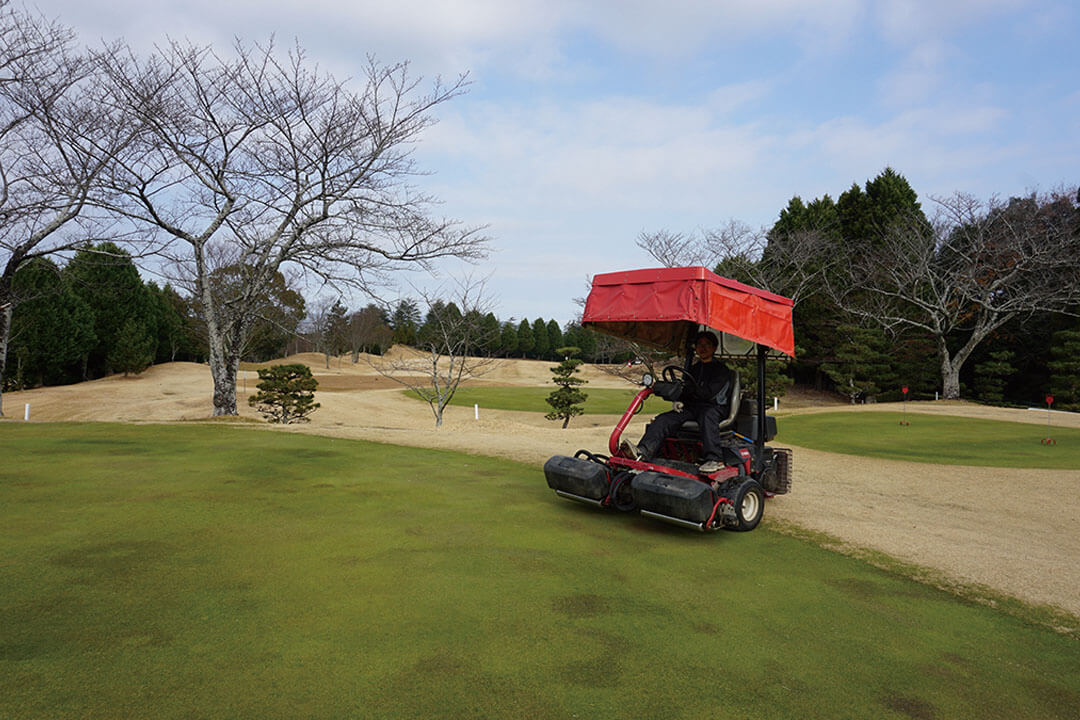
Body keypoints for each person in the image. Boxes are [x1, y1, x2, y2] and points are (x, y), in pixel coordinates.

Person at [621, 331, 735, 473]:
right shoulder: (694, 369)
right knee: (664, 419)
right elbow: (686, 389)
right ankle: (643, 451)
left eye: (707, 345)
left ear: (714, 348)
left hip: (714, 407)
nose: (703, 348)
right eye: (699, 345)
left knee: (707, 416)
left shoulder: (721, 370)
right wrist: (679, 399)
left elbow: (709, 393)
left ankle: (714, 459)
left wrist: (689, 392)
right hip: (693, 407)